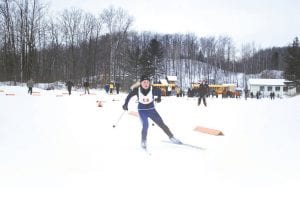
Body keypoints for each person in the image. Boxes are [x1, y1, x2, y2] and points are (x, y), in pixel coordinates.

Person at [122, 75, 181, 149]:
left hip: (152, 110)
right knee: (145, 125)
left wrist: (159, 98)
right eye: (144, 82)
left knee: (161, 124)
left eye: (147, 82)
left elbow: (159, 91)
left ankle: (172, 137)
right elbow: (129, 96)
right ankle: (143, 141)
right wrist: (125, 104)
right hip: (142, 110)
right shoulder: (137, 90)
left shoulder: (153, 89)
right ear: (141, 83)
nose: (146, 84)